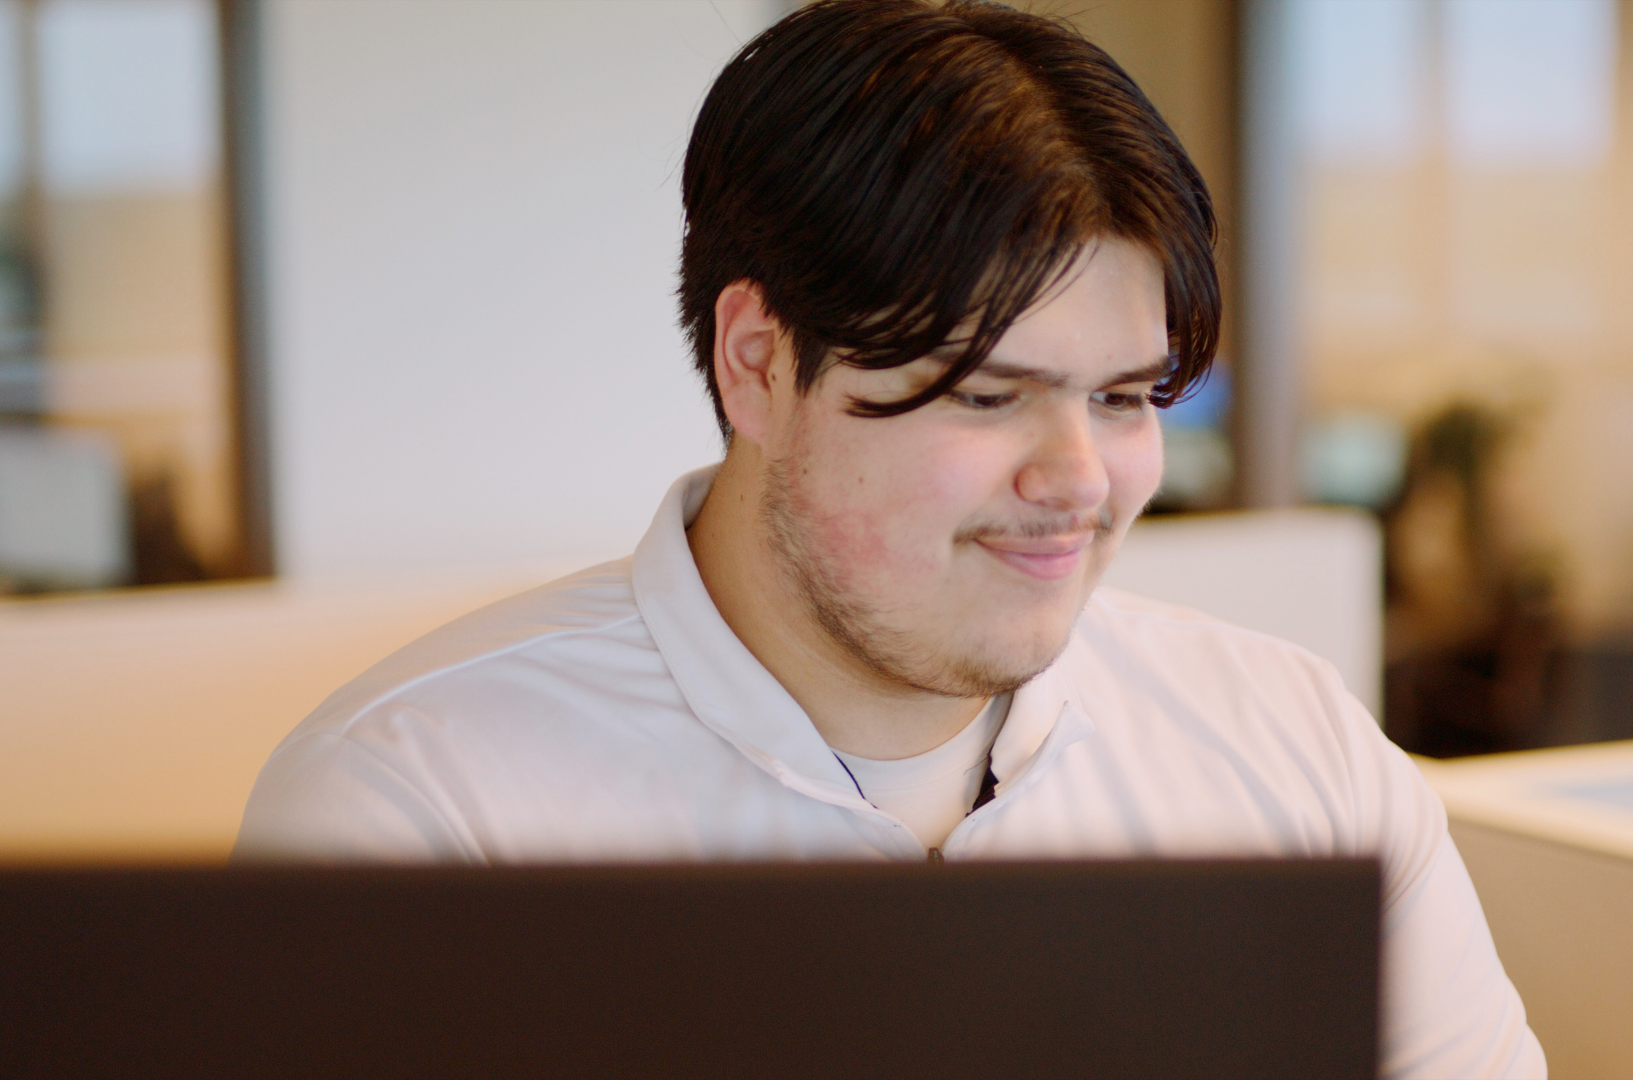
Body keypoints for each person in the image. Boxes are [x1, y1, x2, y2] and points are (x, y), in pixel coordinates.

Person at [235, 2, 1546, 1075]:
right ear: (758, 365)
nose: (1079, 482)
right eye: (986, 396)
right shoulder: (423, 814)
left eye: (1125, 397)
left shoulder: (1291, 748)